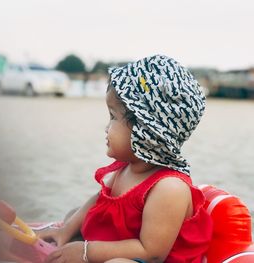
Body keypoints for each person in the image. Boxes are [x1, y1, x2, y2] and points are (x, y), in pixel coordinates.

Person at [38, 54, 213, 263]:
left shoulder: (169, 188)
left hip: (145, 259)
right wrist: (66, 231)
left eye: (113, 116)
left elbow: (152, 253)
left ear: (146, 131)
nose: (106, 127)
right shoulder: (126, 168)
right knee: (75, 215)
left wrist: (86, 252)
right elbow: (98, 200)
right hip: (118, 244)